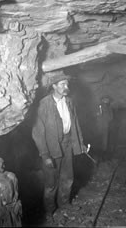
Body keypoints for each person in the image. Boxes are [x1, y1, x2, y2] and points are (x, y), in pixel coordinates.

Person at [32, 71, 87, 222]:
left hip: (68, 144)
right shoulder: (44, 104)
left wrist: (80, 144)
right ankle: (49, 210)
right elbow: (37, 131)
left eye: (67, 84)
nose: (66, 86)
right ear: (54, 86)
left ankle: (64, 204)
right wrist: (45, 155)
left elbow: (75, 124)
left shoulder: (69, 101)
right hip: (52, 147)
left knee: (68, 178)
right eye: (63, 84)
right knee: (51, 183)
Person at [96, 96, 113, 160]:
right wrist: (97, 114)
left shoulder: (109, 108)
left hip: (106, 126)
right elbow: (94, 114)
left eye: (107, 100)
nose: (106, 101)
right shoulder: (98, 107)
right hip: (98, 126)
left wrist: (106, 118)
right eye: (105, 99)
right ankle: (98, 153)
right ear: (102, 100)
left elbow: (111, 117)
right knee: (98, 139)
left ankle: (103, 154)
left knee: (105, 141)